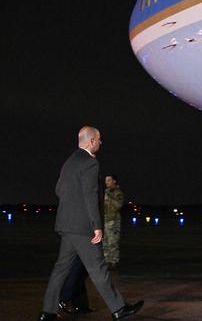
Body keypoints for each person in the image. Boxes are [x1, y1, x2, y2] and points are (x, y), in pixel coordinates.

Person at [38, 126, 143, 321]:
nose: (101, 143)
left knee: (60, 270)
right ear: (91, 141)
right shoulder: (90, 164)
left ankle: (48, 312)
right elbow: (90, 197)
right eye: (99, 139)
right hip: (83, 228)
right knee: (98, 269)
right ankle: (119, 309)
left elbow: (59, 190)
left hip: (66, 225)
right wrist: (96, 225)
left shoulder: (69, 162)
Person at [103, 174, 124, 270]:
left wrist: (109, 198)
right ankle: (107, 261)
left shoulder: (117, 193)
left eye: (109, 180)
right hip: (105, 220)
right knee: (105, 242)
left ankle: (114, 262)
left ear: (114, 181)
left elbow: (119, 205)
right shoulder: (105, 192)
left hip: (113, 221)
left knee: (113, 242)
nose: (107, 182)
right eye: (106, 180)